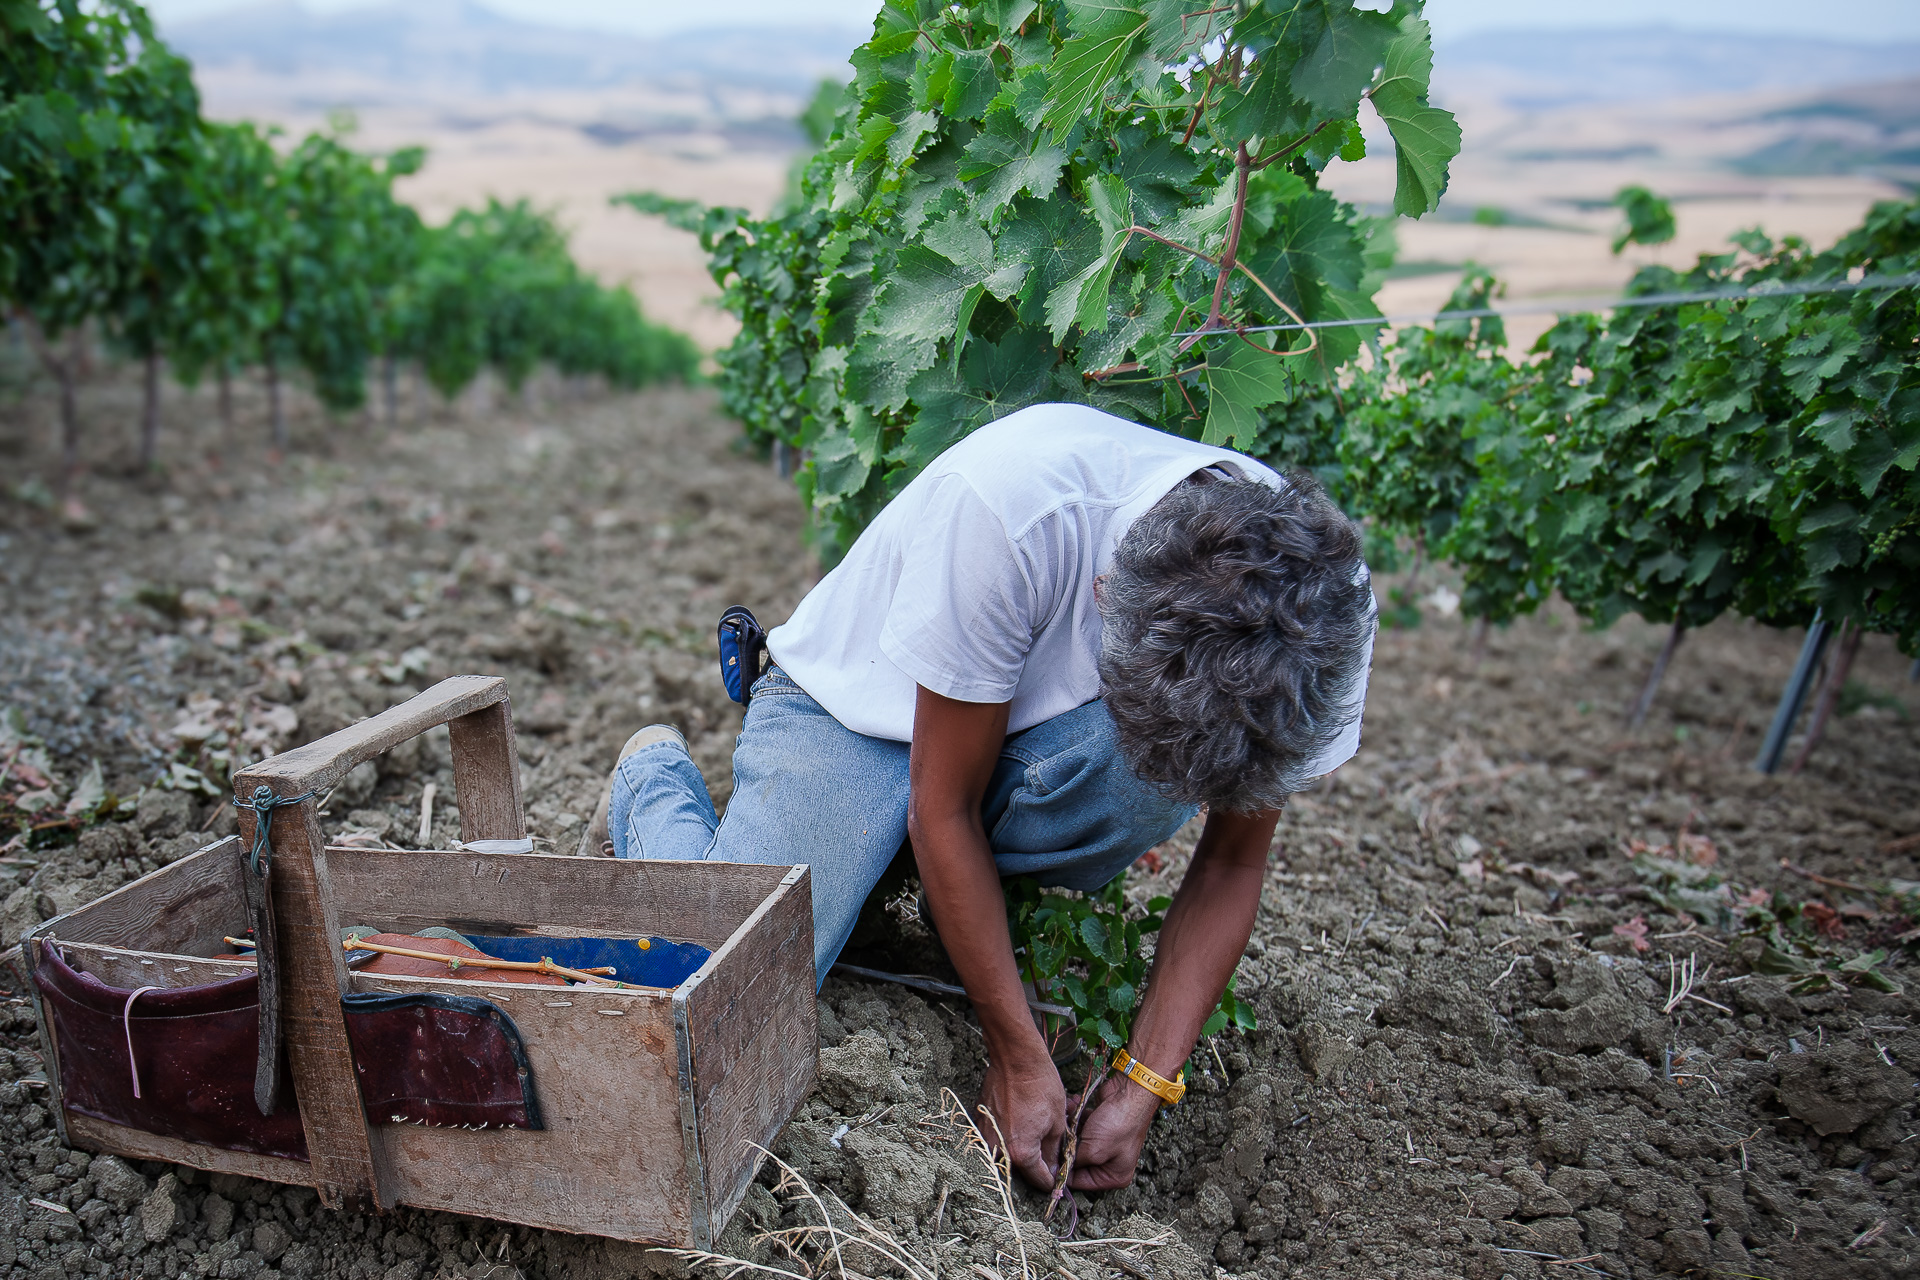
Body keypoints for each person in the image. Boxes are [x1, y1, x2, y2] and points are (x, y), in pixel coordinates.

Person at [582, 402, 1376, 1192]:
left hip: (1019, 741)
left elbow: (1234, 862)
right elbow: (943, 807)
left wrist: (1146, 1084)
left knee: (1140, 781)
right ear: (1106, 600)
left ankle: (916, 887)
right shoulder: (1011, 513)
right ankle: (652, 781)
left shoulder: (1318, 609)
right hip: (860, 715)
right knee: (731, 981)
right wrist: (1017, 1050)